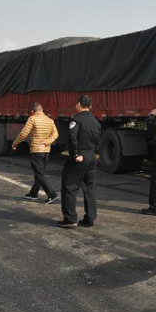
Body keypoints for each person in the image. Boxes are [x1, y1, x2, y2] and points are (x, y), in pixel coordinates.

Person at [58, 95, 101, 228]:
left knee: (69, 187)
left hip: (79, 157)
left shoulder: (76, 120)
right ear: (91, 106)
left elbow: (72, 137)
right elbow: (98, 140)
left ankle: (70, 218)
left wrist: (75, 154)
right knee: (90, 189)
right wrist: (96, 154)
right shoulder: (96, 122)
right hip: (91, 156)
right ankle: (90, 218)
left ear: (78, 105)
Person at [11, 102, 60, 203]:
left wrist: (15, 144)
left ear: (32, 111)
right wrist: (46, 143)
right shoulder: (50, 120)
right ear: (42, 109)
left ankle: (52, 194)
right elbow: (56, 134)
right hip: (46, 151)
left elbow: (24, 133)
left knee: (39, 173)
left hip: (36, 150)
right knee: (39, 173)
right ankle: (33, 193)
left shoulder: (32, 119)